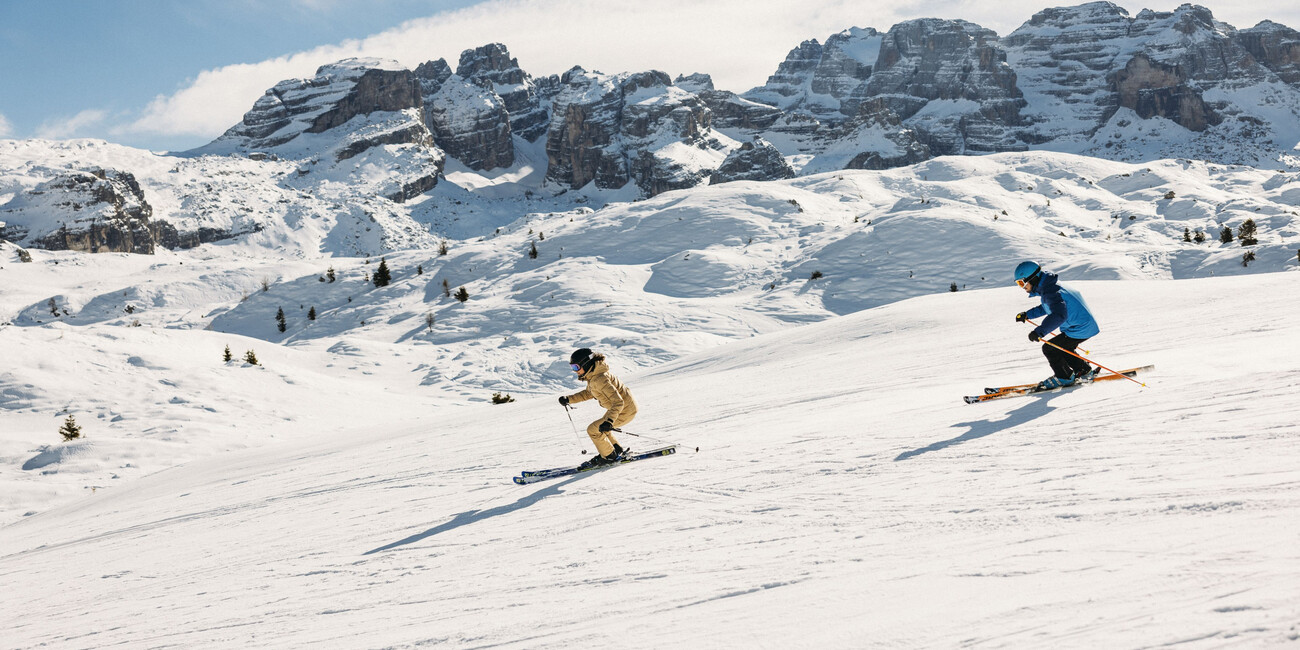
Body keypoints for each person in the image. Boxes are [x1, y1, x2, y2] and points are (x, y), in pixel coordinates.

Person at [1013, 261, 1100, 389]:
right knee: (1064, 347)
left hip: (1080, 328)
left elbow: (1059, 315)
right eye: (1018, 284)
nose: (1022, 287)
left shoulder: (1051, 291)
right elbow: (1048, 307)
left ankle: (1064, 377)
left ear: (1033, 279)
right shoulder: (1050, 287)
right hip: (1083, 325)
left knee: (1050, 348)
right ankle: (1083, 371)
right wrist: (1027, 315)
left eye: (1022, 283)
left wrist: (1039, 332)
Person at [558, 348, 637, 468]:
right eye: (572, 367)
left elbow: (618, 402)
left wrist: (609, 421)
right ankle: (615, 449)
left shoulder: (600, 379)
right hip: (623, 409)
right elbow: (589, 393)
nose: (575, 371)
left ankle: (609, 456)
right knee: (601, 428)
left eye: (576, 367)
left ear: (586, 364)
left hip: (624, 410)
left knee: (593, 430)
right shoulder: (594, 376)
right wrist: (569, 399)